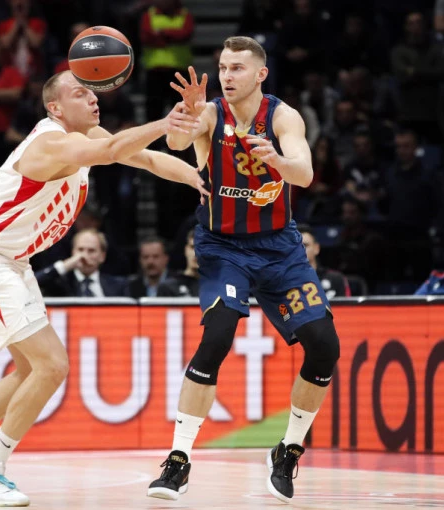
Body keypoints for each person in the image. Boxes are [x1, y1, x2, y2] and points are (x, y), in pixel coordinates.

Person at [0, 70, 205, 507]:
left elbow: (146, 159)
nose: (93, 98)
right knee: (52, 365)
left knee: (30, 370)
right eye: (80, 93)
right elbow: (111, 151)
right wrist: (166, 122)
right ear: (55, 107)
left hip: (11, 259)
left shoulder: (86, 138)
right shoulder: (50, 143)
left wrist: (202, 181)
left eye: (93, 92)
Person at [147, 36, 340, 503]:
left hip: (279, 249)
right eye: (222, 67)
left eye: (236, 68)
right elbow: (175, 142)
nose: (227, 76)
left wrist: (277, 160)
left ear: (260, 74)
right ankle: (178, 460)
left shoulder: (284, 117)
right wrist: (188, 113)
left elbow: (305, 174)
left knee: (324, 347)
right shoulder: (211, 114)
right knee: (217, 335)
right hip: (223, 246)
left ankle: (288, 449)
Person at [34, 228, 129, 297]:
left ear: (102, 256)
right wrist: (66, 264)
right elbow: (34, 283)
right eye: (80, 250)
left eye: (91, 251)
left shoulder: (119, 285)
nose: (84, 255)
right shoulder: (61, 284)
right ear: (73, 252)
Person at [298, 225, 350, 299]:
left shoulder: (336, 279)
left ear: (316, 248)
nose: (300, 249)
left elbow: (346, 305)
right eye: (296, 246)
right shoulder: (284, 280)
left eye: (305, 245)